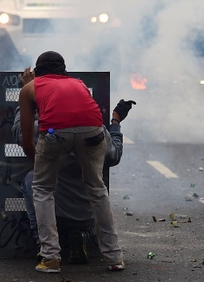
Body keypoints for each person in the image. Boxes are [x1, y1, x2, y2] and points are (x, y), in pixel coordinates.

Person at [11, 65, 133, 266]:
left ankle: (45, 250)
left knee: (34, 182)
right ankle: (112, 256)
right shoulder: (94, 127)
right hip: (87, 219)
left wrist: (28, 100)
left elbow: (19, 133)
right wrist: (115, 121)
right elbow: (115, 155)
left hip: (55, 217)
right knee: (97, 188)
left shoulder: (46, 129)